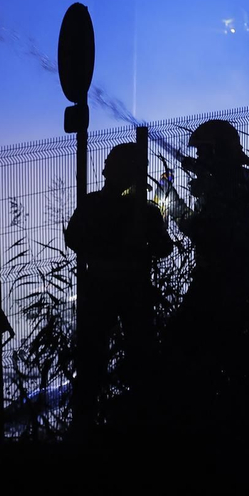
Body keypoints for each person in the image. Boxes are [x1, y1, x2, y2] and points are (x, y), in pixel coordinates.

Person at [64, 142, 172, 431]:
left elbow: (72, 238)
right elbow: (165, 248)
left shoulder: (90, 203)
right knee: (141, 357)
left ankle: (85, 427)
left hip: (97, 293)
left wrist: (97, 250)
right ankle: (142, 422)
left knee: (91, 363)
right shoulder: (145, 213)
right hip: (133, 294)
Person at [167, 119, 249, 400]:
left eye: (202, 152)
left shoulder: (222, 187)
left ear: (215, 152)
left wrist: (170, 198)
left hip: (216, 279)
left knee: (182, 340)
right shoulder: (243, 180)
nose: (197, 157)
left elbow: (199, 230)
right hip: (238, 275)